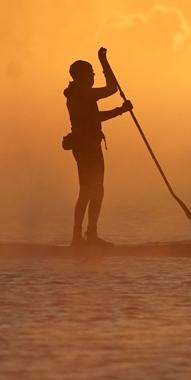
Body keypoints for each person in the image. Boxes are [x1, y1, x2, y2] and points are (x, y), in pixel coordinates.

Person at [63, 47, 132, 247]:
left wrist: (121, 110)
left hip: (89, 146)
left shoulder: (80, 94)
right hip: (86, 149)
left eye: (93, 73)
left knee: (94, 190)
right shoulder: (81, 94)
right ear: (81, 76)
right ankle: (82, 237)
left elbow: (94, 117)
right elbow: (112, 89)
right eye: (90, 73)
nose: (93, 76)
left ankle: (87, 235)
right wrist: (103, 61)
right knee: (88, 190)